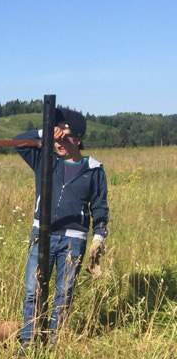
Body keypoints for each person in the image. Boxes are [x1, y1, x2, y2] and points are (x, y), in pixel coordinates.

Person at [15, 108, 109, 346]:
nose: (59, 142)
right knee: (32, 290)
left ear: (78, 139)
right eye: (56, 137)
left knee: (64, 295)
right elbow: (18, 141)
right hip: (42, 234)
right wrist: (45, 131)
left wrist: (99, 236)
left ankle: (55, 344)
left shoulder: (94, 169)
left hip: (73, 241)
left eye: (65, 137)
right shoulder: (44, 160)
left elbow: (99, 206)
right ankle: (28, 342)